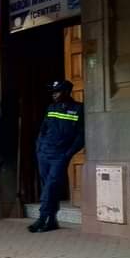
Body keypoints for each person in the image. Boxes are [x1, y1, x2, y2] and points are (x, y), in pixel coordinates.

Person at [29, 80, 84, 233]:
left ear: (66, 92)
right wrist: (39, 148)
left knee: (51, 186)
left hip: (59, 156)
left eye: (57, 91)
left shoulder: (78, 109)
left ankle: (42, 218)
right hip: (44, 154)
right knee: (48, 187)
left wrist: (67, 154)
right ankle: (52, 220)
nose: (54, 94)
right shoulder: (51, 107)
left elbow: (81, 137)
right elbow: (43, 130)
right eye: (53, 91)